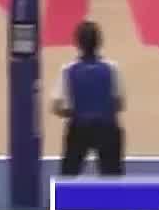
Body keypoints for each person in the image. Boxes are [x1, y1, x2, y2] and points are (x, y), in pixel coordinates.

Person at [53, 19, 124, 176]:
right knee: (113, 178)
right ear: (99, 42)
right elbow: (120, 104)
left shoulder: (68, 70)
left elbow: (56, 108)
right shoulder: (112, 68)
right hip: (107, 129)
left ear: (77, 43)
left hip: (79, 129)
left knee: (69, 176)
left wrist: (74, 112)